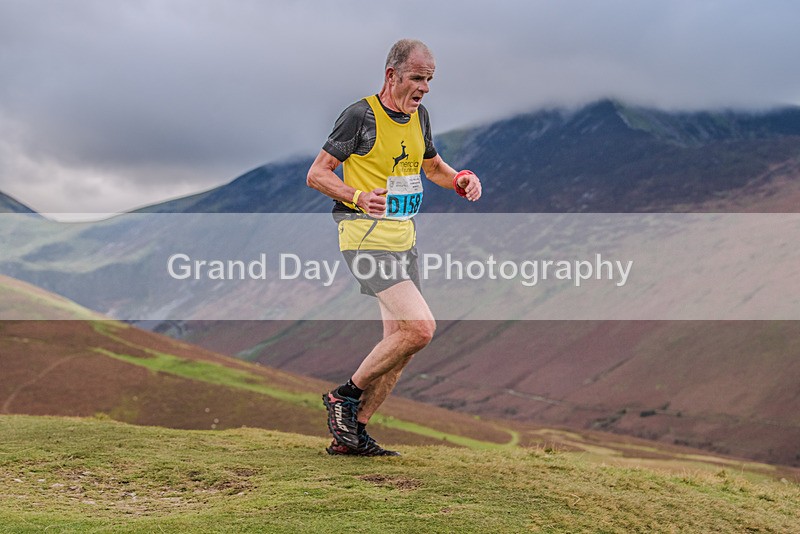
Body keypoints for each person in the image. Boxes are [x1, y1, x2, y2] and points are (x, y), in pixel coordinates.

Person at [306, 38, 482, 456]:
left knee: (398, 349)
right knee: (420, 328)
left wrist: (460, 179)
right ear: (392, 75)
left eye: (429, 80)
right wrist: (355, 195)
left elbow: (433, 168)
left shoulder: (420, 118)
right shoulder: (360, 116)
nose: (424, 88)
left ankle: (352, 435)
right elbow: (317, 174)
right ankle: (342, 397)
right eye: (417, 78)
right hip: (363, 239)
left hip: (404, 241)